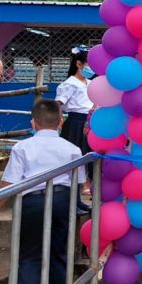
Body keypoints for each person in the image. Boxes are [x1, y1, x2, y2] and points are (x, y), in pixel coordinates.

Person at [0, 100, 82, 284]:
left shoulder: (22, 147)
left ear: (33, 123)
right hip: (62, 201)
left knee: (29, 253)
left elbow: (9, 184)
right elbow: (78, 183)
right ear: (61, 122)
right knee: (58, 252)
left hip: (33, 203)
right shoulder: (73, 149)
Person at [56, 48, 94, 214]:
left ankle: (78, 200)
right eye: (88, 64)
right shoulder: (69, 84)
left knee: (86, 162)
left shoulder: (91, 83)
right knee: (75, 161)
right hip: (76, 122)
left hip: (90, 122)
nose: (91, 68)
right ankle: (72, 201)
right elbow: (58, 104)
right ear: (78, 64)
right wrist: (58, 120)